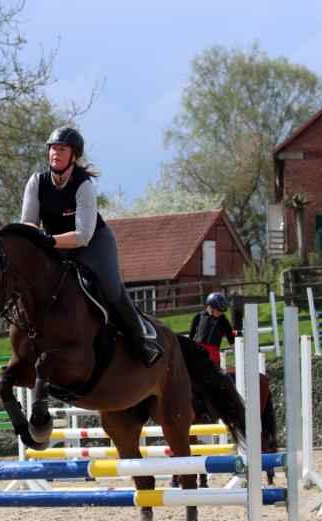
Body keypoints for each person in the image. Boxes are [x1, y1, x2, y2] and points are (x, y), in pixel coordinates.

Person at [20, 126, 162, 367]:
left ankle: (141, 339)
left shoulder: (83, 185)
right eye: (53, 148)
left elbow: (83, 236)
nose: (55, 153)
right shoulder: (36, 182)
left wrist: (49, 240)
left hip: (94, 244)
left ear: (73, 156)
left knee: (110, 287)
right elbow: (28, 224)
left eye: (62, 149)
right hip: (55, 244)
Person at [189, 292, 235, 367]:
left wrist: (236, 350)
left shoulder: (224, 321)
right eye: (218, 310)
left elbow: (231, 338)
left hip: (213, 356)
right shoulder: (199, 316)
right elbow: (191, 335)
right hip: (198, 352)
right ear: (210, 307)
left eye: (222, 311)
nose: (220, 313)